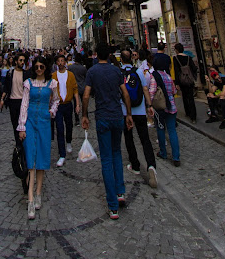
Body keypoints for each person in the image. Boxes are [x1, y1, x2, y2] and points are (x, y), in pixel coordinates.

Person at [82, 43, 134, 220]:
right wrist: (128, 114)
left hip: (103, 117)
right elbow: (125, 94)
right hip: (117, 116)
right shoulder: (117, 71)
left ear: (97, 55)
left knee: (106, 160)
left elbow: (87, 95)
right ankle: (120, 192)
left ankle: (113, 207)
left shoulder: (93, 72)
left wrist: (84, 115)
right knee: (117, 154)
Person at [17, 56, 60, 220]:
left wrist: (52, 111)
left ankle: (38, 193)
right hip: (30, 122)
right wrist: (21, 125)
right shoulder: (28, 83)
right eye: (36, 67)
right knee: (30, 159)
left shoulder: (52, 83)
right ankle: (30, 199)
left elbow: (56, 100)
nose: (39, 69)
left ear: (46, 67)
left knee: (42, 157)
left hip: (44, 121)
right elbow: (24, 104)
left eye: (42, 66)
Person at [120, 50, 157, 188]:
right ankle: (151, 166)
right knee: (145, 139)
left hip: (125, 111)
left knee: (129, 138)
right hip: (140, 110)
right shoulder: (139, 71)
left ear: (122, 60)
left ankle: (135, 165)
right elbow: (145, 89)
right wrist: (149, 106)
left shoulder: (120, 73)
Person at [149, 59, 180, 166]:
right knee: (172, 131)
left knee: (160, 129)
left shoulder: (154, 76)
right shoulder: (168, 76)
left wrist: (149, 105)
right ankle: (176, 157)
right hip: (171, 106)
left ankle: (163, 152)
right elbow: (173, 91)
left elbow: (152, 92)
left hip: (161, 107)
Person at [52, 54, 80, 167]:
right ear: (56, 63)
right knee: (59, 129)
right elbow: (51, 91)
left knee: (69, 125)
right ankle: (62, 154)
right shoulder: (53, 75)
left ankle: (68, 141)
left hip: (68, 105)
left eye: (62, 60)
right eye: (58, 61)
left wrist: (77, 104)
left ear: (65, 62)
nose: (60, 63)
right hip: (58, 106)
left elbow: (75, 90)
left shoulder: (71, 75)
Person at [0, 52, 30, 144]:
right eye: (20, 60)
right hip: (13, 102)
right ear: (16, 61)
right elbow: (6, 87)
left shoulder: (26, 74)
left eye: (23, 61)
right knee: (15, 124)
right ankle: (18, 145)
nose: (22, 62)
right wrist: (2, 99)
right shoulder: (10, 73)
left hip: (23, 102)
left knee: (23, 124)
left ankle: (23, 144)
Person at [173, 43, 197, 123]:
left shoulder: (176, 58)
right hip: (189, 80)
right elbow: (194, 68)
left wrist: (177, 83)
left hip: (182, 80)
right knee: (191, 97)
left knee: (185, 96)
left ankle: (188, 112)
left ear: (176, 50)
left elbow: (176, 71)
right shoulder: (188, 58)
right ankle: (193, 116)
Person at [69, 53, 87, 126]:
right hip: (82, 87)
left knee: (76, 104)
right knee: (84, 103)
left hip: (74, 88)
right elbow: (86, 77)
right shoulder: (83, 68)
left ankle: (77, 119)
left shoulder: (70, 68)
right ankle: (85, 116)